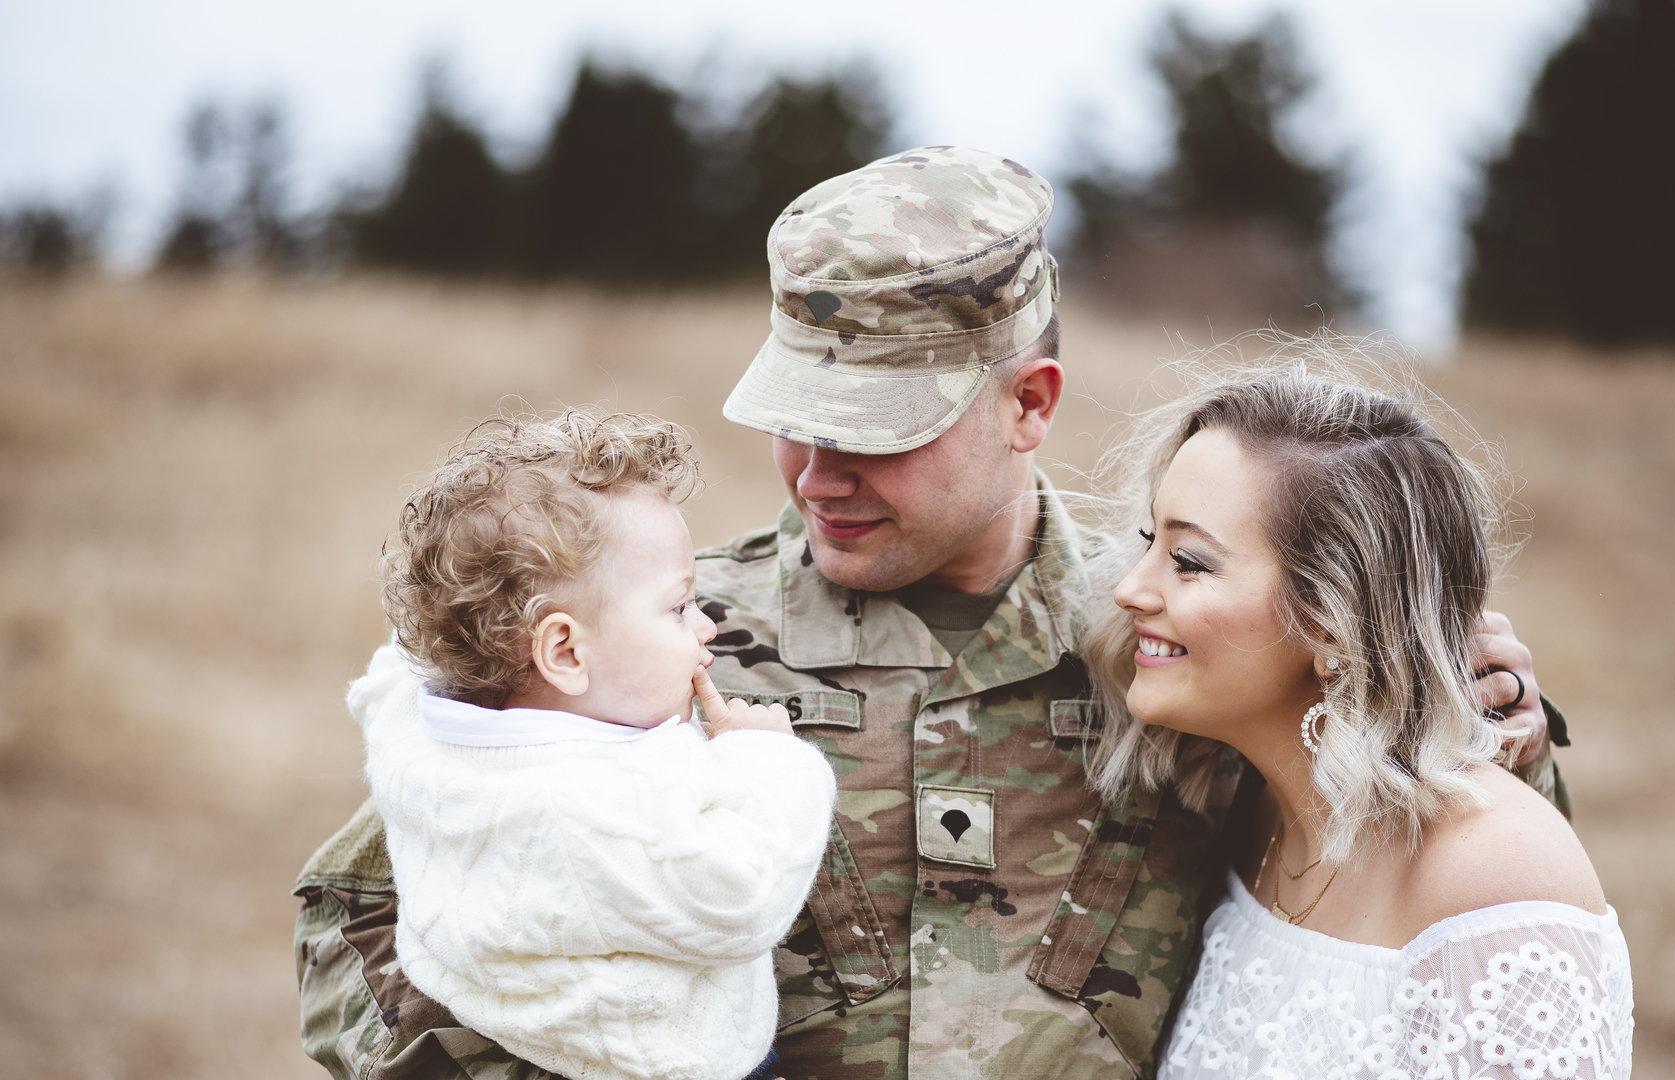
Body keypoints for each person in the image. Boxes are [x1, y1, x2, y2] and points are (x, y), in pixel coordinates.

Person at [294, 147, 1567, 1080]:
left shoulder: (1179, 647)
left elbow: (1410, 924)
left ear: (1031, 403)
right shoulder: (657, 647)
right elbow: (359, 914)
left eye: (875, 433)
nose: (814, 473)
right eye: (796, 418)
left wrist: (1482, 725)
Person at [1079, 358, 1631, 1079]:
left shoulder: (1495, 877)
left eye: (1188, 561)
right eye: (1147, 540)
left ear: (1333, 624)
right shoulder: (1247, 818)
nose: (1129, 589)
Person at [344, 409, 836, 1080]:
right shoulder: (589, 811)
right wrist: (766, 757)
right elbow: (740, 895)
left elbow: (387, 682)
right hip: (646, 1058)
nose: (707, 627)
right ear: (565, 650)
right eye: (680, 606)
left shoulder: (416, 724)